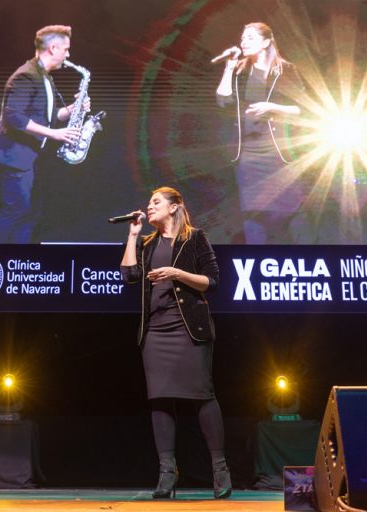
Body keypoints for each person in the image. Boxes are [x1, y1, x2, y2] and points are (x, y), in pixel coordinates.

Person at [120, 186, 232, 499]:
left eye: (156, 202)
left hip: (188, 328)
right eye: (149, 202)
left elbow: (213, 281)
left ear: (174, 207)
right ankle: (167, 473)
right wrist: (132, 234)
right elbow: (129, 276)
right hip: (155, 331)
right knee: (160, 398)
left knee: (202, 395)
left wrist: (177, 273)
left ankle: (220, 469)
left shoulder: (194, 238)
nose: (149, 206)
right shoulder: (145, 243)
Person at [0, 24, 88, 243]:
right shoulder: (26, 76)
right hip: (15, 157)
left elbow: (50, 116)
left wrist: (75, 107)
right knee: (15, 211)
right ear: (53, 48)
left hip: (29, 158)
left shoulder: (45, 77)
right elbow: (14, 116)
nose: (68, 55)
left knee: (30, 213)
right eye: (66, 49)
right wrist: (54, 134)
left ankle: (20, 263)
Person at [216, 22, 306, 244]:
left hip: (278, 153)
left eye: (250, 38)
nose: (243, 42)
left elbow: (302, 109)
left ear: (266, 42)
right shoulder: (239, 71)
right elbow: (223, 101)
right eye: (242, 38)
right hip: (247, 154)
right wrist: (229, 66)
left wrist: (272, 108)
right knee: (253, 216)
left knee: (286, 213)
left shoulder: (285, 70)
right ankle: (256, 264)